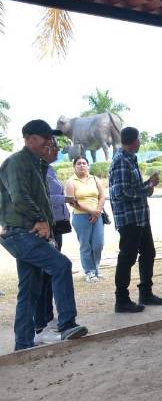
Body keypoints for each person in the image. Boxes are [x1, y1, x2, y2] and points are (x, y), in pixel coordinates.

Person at [0, 119, 88, 350]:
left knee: (29, 288)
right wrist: (40, 219)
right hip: (20, 232)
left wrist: (45, 223)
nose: (50, 142)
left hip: (26, 232)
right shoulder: (17, 162)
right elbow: (20, 197)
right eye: (45, 138)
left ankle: (23, 343)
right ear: (29, 138)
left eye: (51, 139)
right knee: (60, 265)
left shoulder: (37, 165)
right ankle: (67, 324)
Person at [109, 126, 162, 313]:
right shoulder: (121, 162)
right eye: (139, 139)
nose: (140, 143)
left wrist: (147, 185)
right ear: (134, 141)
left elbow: (131, 188)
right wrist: (146, 187)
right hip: (129, 219)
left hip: (139, 217)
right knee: (127, 257)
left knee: (148, 252)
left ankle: (145, 293)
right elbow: (121, 192)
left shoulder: (129, 160)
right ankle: (121, 299)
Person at [34, 137, 72, 344]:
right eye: (55, 146)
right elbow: (44, 198)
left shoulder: (50, 169)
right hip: (44, 226)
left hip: (55, 224)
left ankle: (48, 318)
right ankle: (41, 323)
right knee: (44, 274)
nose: (58, 150)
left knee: (49, 275)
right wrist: (65, 199)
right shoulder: (37, 170)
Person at [66, 156, 106, 283]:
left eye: (84, 163)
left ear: (88, 165)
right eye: (79, 164)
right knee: (85, 245)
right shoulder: (71, 182)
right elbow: (72, 202)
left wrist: (97, 211)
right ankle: (89, 271)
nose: (82, 165)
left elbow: (102, 196)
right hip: (81, 216)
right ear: (74, 166)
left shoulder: (95, 179)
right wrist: (91, 211)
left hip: (97, 215)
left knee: (98, 244)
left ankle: (96, 267)